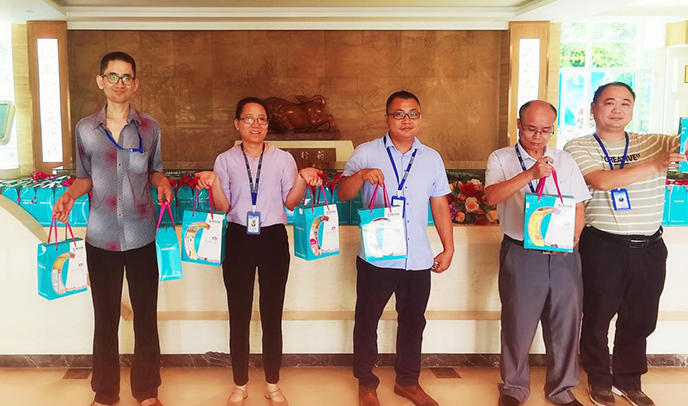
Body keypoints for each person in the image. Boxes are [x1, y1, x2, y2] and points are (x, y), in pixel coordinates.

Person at [53, 52, 172, 406]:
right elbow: (84, 177)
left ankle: (147, 392)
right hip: (101, 236)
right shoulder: (86, 129)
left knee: (146, 318)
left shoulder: (149, 128)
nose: (119, 83)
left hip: (141, 235)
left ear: (135, 83)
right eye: (113, 76)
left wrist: (162, 182)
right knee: (104, 320)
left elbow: (154, 171)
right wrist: (69, 195)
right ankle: (105, 393)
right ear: (100, 81)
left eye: (126, 77)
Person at [564, 82, 687, 406]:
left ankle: (629, 381)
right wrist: (656, 165)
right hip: (603, 247)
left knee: (641, 319)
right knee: (597, 317)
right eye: (609, 102)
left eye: (625, 103)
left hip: (650, 248)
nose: (617, 109)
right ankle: (599, 380)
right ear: (593, 108)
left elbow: (684, 141)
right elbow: (602, 180)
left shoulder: (656, 142)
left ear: (633, 108)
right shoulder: (579, 146)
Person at [196, 97, 323, 406]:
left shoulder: (283, 159)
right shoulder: (225, 159)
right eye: (249, 118)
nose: (256, 124)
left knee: (272, 314)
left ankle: (272, 383)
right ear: (237, 123)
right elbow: (224, 207)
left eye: (262, 119)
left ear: (268, 124)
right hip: (238, 237)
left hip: (273, 239)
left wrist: (302, 180)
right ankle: (240, 384)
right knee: (238, 315)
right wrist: (214, 183)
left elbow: (290, 202)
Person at [337, 90, 454, 406]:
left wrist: (448, 247)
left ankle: (407, 382)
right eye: (399, 114)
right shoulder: (367, 152)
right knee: (367, 320)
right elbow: (344, 193)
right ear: (387, 118)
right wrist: (361, 175)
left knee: (414, 322)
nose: (406, 120)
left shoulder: (431, 158)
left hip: (417, 258)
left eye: (413, 113)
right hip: (377, 257)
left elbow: (439, 205)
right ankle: (366, 382)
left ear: (420, 118)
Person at [484, 100, 591, 406]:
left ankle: (561, 390)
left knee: (566, 322)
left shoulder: (565, 160)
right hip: (521, 252)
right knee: (517, 323)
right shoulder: (501, 158)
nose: (538, 137)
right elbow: (491, 197)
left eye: (545, 130)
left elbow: (578, 205)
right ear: (519, 124)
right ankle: (514, 388)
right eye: (531, 129)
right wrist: (530, 174)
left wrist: (574, 238)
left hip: (563, 253)